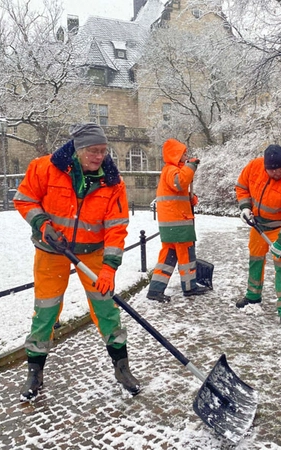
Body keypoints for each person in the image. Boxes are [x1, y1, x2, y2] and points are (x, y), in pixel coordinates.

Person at [13, 122, 140, 402]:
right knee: (45, 310)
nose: (99, 157)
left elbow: (117, 227)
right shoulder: (44, 168)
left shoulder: (112, 181)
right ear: (78, 149)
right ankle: (35, 371)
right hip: (51, 249)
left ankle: (122, 368)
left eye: (103, 151)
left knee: (106, 309)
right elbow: (25, 199)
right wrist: (42, 224)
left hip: (93, 253)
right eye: (93, 151)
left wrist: (109, 267)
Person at [235, 144, 281, 330]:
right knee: (255, 259)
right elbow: (241, 187)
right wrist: (245, 207)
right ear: (265, 166)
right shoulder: (254, 167)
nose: (277, 173)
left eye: (280, 169)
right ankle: (253, 295)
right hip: (258, 225)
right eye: (272, 170)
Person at [146, 138, 210, 303]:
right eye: (183, 153)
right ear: (176, 155)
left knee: (168, 257)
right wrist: (191, 166)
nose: (186, 156)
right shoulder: (172, 170)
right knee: (186, 256)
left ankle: (155, 289)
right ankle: (190, 287)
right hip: (179, 223)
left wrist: (191, 199)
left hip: (171, 223)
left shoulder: (170, 170)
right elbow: (180, 183)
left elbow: (177, 193)